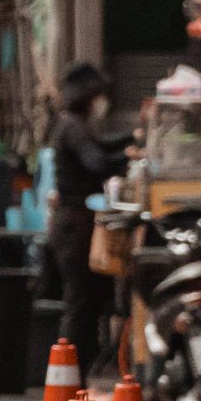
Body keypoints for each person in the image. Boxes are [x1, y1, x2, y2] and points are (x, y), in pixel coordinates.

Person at [46, 61, 131, 376]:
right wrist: (127, 156)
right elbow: (96, 162)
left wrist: (131, 138)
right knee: (80, 303)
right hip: (73, 227)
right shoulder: (72, 127)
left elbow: (100, 147)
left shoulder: (74, 125)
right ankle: (69, 375)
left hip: (75, 224)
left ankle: (78, 373)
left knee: (90, 301)